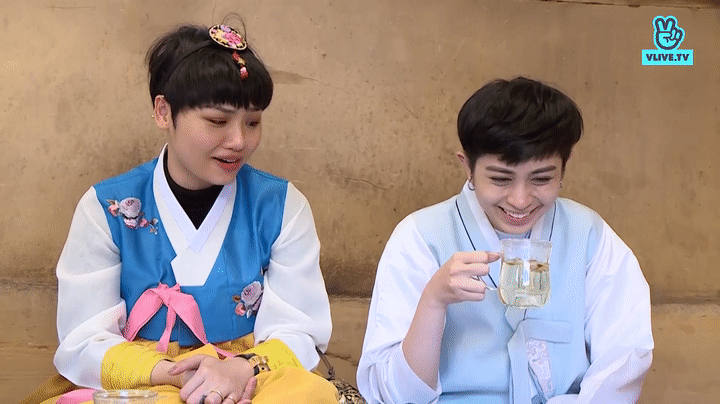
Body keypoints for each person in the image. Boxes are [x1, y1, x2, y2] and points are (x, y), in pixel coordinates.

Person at [23, 23, 338, 404]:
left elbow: (298, 328)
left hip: (248, 379)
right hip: (146, 382)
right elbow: (84, 339)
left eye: (253, 122)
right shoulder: (105, 209)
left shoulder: (281, 206)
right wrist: (176, 374)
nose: (239, 141)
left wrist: (239, 369)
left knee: (310, 393)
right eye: (217, 121)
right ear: (163, 112)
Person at [357, 77, 654, 404]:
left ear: (565, 166)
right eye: (500, 179)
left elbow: (626, 355)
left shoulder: (589, 236)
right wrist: (434, 300)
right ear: (467, 166)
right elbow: (394, 395)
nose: (520, 200)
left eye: (542, 178)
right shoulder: (419, 238)